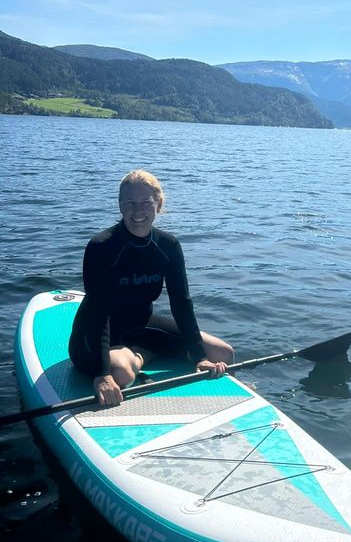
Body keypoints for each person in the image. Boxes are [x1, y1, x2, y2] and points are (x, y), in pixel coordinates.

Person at [69, 169, 234, 407]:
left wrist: (200, 357)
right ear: (120, 205)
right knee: (122, 375)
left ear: (158, 203)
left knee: (222, 353)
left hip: (141, 325)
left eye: (146, 202)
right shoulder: (102, 247)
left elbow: (181, 303)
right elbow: (98, 311)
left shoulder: (168, 245)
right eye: (130, 203)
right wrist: (102, 373)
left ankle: (144, 353)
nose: (138, 211)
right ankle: (141, 355)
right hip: (93, 334)